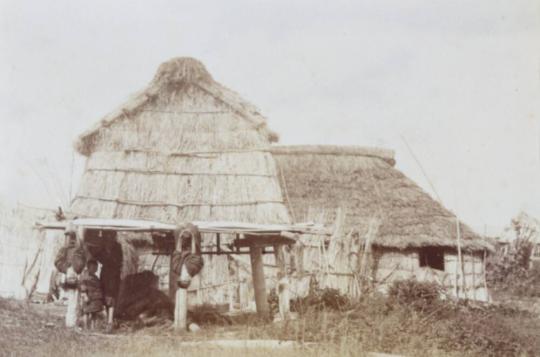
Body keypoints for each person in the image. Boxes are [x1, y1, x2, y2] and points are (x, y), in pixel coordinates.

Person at [80, 260, 104, 330]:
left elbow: (99, 285)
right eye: (93, 267)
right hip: (88, 297)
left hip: (95, 298)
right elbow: (83, 286)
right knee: (86, 312)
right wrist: (84, 295)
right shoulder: (85, 276)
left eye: (96, 268)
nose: (95, 269)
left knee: (94, 313)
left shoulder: (95, 277)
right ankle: (85, 327)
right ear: (88, 267)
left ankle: (93, 327)